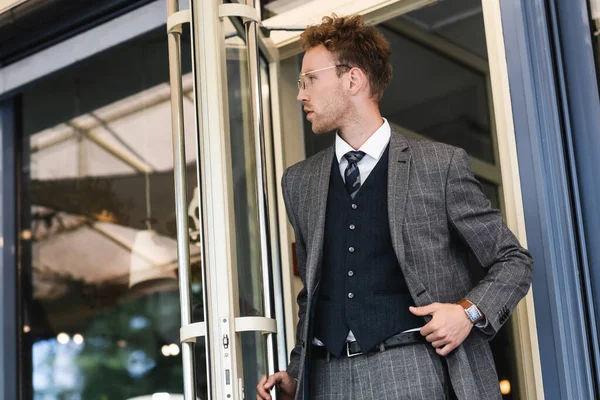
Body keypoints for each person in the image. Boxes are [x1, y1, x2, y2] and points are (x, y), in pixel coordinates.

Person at [257, 14, 533, 400]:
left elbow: (512, 260)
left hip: (413, 368)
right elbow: (314, 293)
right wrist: (297, 375)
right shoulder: (299, 182)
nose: (300, 94)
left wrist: (467, 312)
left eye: (310, 80)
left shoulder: (440, 164)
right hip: (327, 379)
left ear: (353, 79)